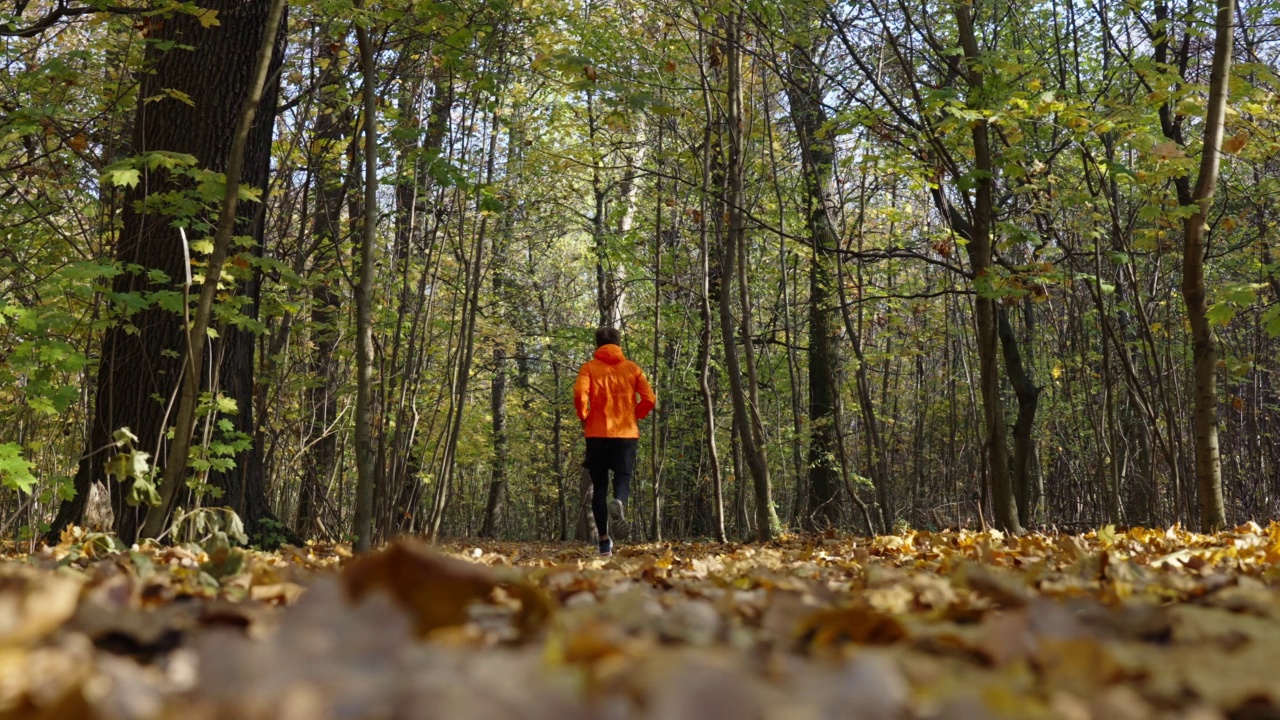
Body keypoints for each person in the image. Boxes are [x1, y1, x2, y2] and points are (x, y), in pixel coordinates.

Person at [573, 326, 656, 557]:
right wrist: (636, 414)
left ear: (597, 344)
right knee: (623, 476)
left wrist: (584, 417)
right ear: (618, 344)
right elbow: (649, 398)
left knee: (599, 487)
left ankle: (603, 542)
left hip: (597, 434)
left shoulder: (589, 368)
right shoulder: (633, 369)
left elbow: (580, 395)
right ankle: (618, 500)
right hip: (626, 433)